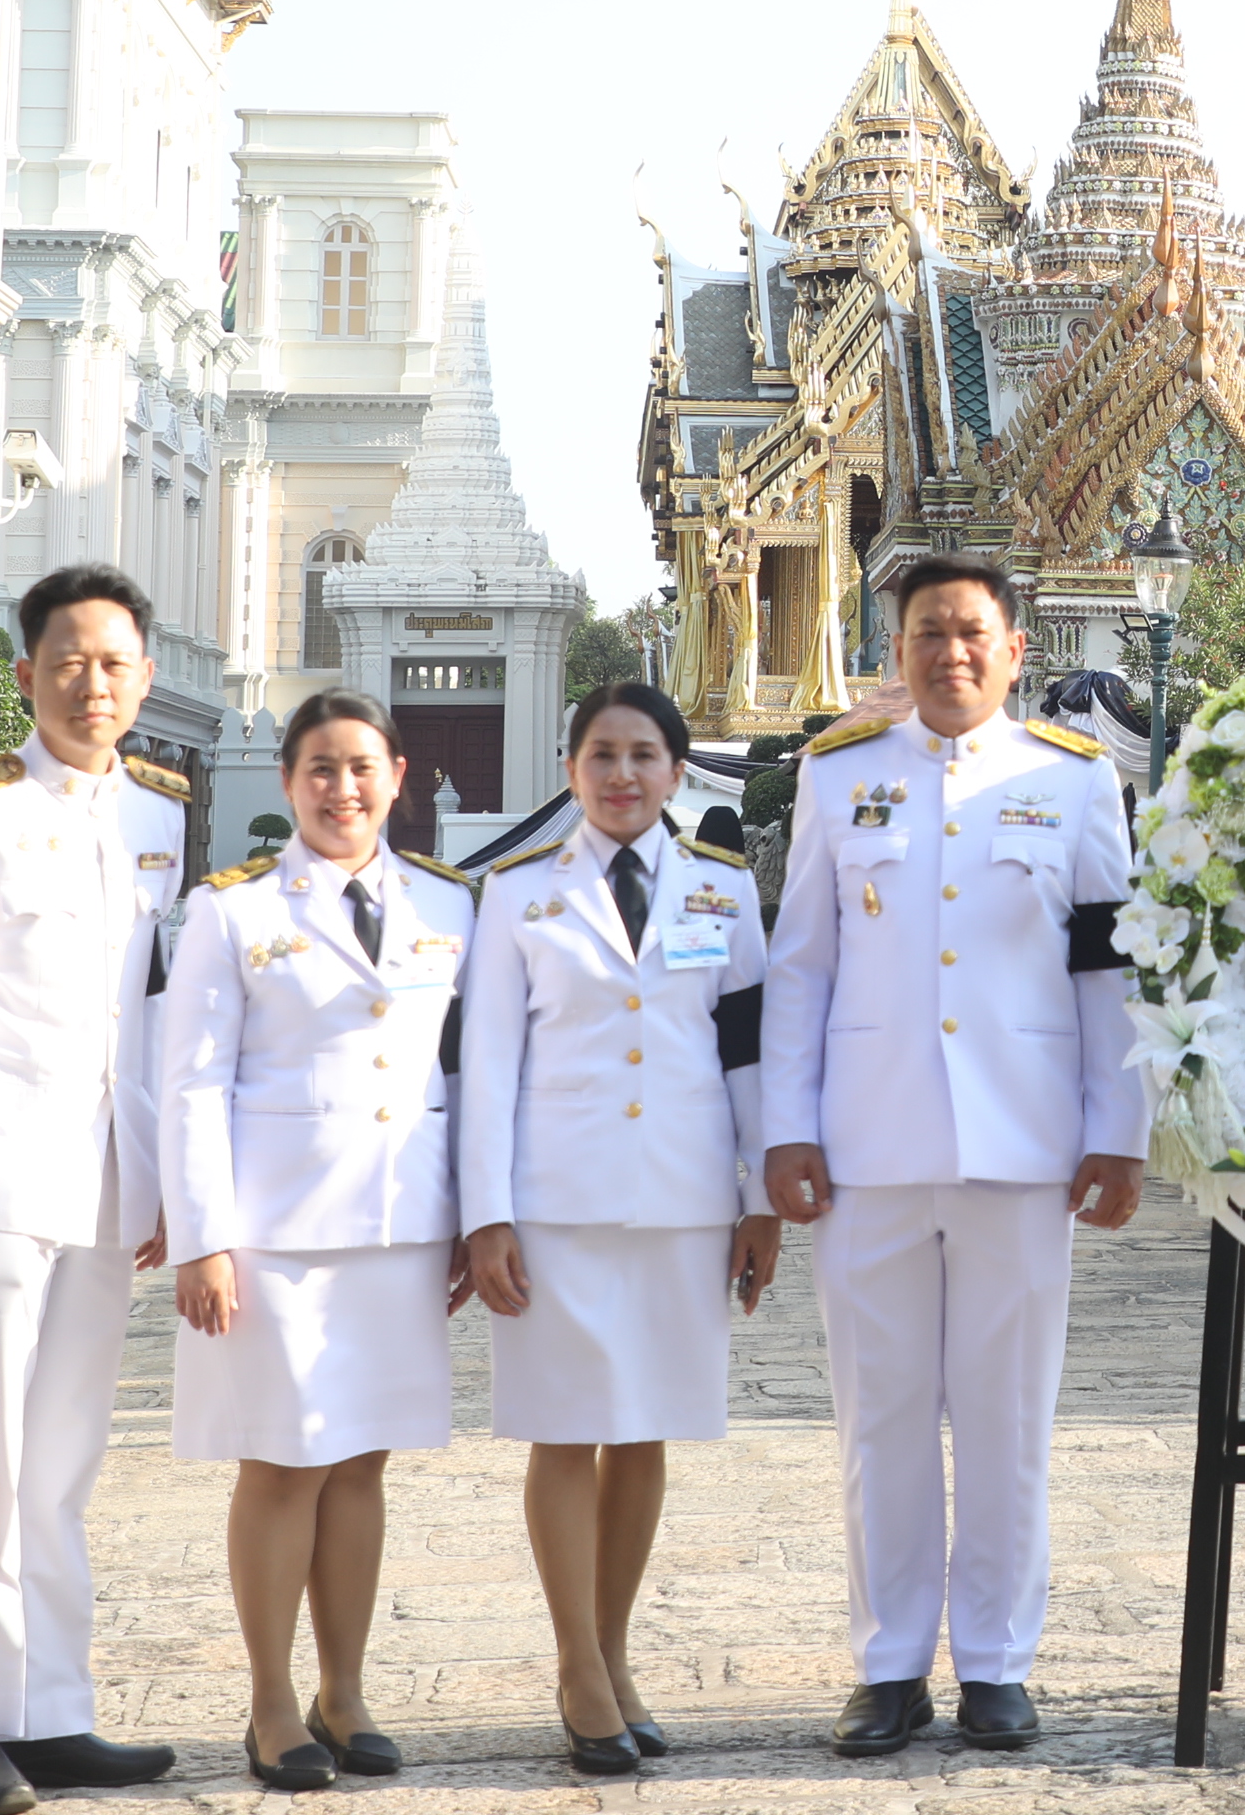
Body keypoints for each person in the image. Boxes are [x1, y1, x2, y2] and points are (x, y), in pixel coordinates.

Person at [762, 559, 1144, 1759]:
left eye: (973, 633)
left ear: (1014, 650)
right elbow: (802, 967)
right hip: (870, 1144)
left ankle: (995, 1663)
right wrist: (787, 1123)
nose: (952, 653)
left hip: (1023, 1146)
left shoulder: (1074, 784)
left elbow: (1107, 968)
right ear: (899, 646)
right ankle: (887, 1665)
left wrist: (1117, 1131)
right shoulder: (839, 778)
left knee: (1005, 1417)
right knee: (879, 1416)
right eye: (929, 632)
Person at [0, 565, 193, 1815]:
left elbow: (152, 1016)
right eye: (69, 661)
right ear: (26, 675)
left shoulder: (160, 819)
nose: (93, 684)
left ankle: (50, 1708)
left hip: (109, 1181)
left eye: (115, 663)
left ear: (146, 678)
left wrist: (165, 1176)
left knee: (63, 1459)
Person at [464, 683, 783, 1772]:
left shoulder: (722, 891)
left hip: (685, 1200)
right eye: (601, 754)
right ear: (570, 769)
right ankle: (575, 1666)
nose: (622, 775)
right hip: (556, 1202)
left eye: (644, 755)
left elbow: (745, 1051)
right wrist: (485, 1216)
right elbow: (488, 1066)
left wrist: (759, 1201)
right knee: (564, 1428)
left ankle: (614, 1651)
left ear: (677, 773)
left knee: (644, 1430)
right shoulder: (517, 896)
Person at [162, 693, 475, 1791]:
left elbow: (459, 1074)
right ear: (291, 782)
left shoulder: (447, 905)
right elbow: (191, 1082)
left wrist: (469, 1224)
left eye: (360, 768)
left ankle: (346, 1692)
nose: (343, 790)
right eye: (319, 771)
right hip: (275, 1234)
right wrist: (201, 1237)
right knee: (284, 1463)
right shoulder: (234, 911)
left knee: (362, 1464)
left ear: (397, 774)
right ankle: (271, 1702)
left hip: (398, 1227)